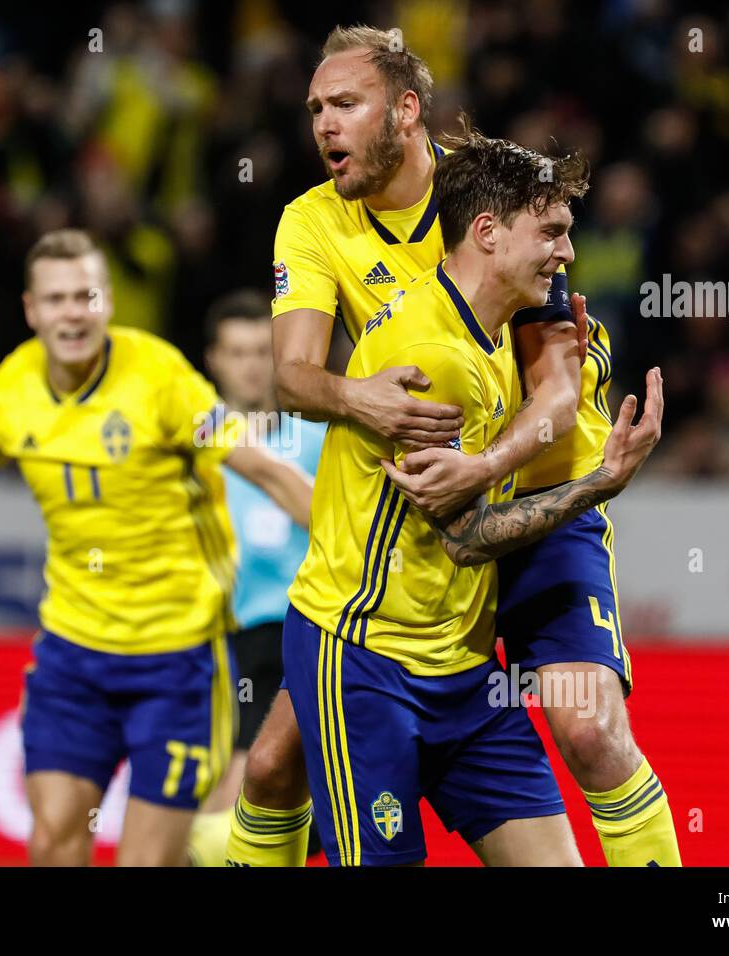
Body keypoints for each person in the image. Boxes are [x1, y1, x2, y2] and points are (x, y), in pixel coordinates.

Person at [228, 23, 586, 867]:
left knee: (591, 723)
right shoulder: (312, 223)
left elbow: (558, 391)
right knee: (274, 762)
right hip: (385, 582)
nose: (323, 125)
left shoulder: (490, 206)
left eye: (346, 103)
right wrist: (360, 397)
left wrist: (499, 464)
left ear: (408, 110)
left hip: (508, 496)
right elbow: (294, 378)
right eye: (315, 108)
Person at [285, 118, 664, 866]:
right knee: (275, 770)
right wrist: (602, 481)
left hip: (460, 673)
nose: (569, 252)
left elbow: (551, 402)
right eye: (551, 232)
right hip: (366, 660)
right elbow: (463, 540)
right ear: (488, 232)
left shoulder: (494, 332)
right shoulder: (433, 359)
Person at [0, 229, 313, 866]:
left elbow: (270, 472)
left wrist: (368, 559)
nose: (72, 313)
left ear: (108, 301)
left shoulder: (161, 378)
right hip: (72, 659)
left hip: (177, 660)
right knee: (54, 841)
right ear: (31, 310)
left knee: (149, 861)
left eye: (84, 296)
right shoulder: (10, 391)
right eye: (55, 299)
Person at [186, 289, 326, 866]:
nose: (248, 365)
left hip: (284, 639)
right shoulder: (187, 446)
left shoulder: (315, 442)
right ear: (213, 361)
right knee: (198, 810)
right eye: (234, 352)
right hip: (198, 642)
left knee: (246, 797)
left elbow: (344, 531)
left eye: (258, 352)